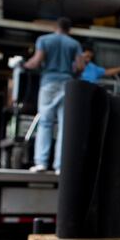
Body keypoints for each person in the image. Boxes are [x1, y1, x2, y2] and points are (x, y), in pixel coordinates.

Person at [21, 17, 82, 173]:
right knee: (64, 125)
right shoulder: (74, 44)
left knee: (45, 123)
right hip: (67, 85)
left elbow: (36, 61)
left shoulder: (44, 40)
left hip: (48, 83)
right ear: (70, 29)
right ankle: (60, 166)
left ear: (56, 27)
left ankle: (41, 163)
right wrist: (72, 72)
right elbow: (80, 66)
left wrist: (22, 65)